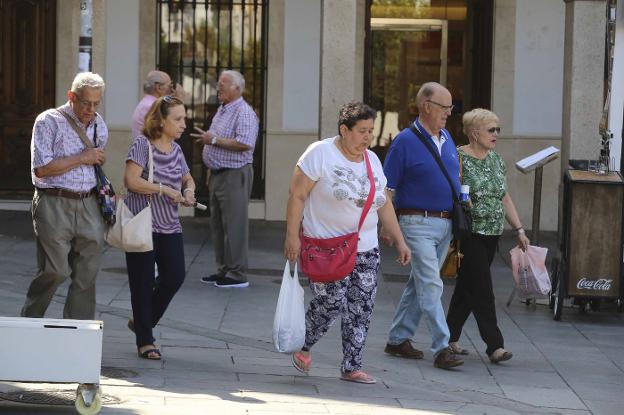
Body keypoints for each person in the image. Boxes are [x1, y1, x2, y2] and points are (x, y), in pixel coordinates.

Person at [284, 101, 411, 384]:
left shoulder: (372, 160)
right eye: (362, 131)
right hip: (326, 246)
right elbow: (297, 195)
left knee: (361, 307)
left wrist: (400, 240)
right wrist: (292, 235)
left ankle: (352, 366)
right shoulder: (320, 154)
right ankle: (303, 343)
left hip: (365, 247)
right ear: (344, 129)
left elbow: (383, 204)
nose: (368, 137)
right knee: (331, 303)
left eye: (371, 131)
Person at [382, 82, 464, 369]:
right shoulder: (405, 141)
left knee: (419, 284)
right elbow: (386, 189)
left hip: (445, 224)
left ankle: (397, 338)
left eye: (451, 108)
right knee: (431, 283)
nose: (449, 113)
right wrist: (389, 228)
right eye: (445, 107)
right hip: (416, 221)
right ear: (427, 106)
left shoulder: (447, 138)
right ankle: (443, 346)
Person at [446, 108, 529, 364]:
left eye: (498, 129)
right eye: (491, 129)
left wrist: (519, 229)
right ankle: (495, 345)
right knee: (482, 287)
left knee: (468, 286)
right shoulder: (458, 156)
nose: (496, 134)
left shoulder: (496, 159)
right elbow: (451, 191)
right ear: (474, 132)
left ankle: (448, 338)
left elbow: (504, 197)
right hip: (470, 231)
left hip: (493, 232)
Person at [22, 72, 108, 320]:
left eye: (96, 103)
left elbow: (96, 161)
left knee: (87, 274)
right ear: (71, 96)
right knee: (55, 270)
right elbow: (42, 168)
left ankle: (78, 334)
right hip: (53, 202)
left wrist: (94, 160)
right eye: (85, 102)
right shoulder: (48, 121)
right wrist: (83, 157)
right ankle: (30, 320)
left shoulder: (99, 124)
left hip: (89, 203)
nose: (91, 109)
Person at [124, 95, 196, 360]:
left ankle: (143, 321)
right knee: (141, 284)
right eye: (177, 119)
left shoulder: (176, 150)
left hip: (169, 225)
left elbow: (188, 178)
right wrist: (164, 189)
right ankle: (145, 340)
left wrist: (188, 191)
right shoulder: (142, 145)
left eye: (184, 118)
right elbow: (131, 181)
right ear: (160, 120)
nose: (183, 124)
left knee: (174, 276)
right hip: (142, 223)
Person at [191, 70, 259, 288]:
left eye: (224, 84)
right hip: (219, 175)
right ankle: (223, 270)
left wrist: (214, 140)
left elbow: (245, 143)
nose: (219, 87)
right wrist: (209, 141)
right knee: (218, 225)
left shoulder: (244, 112)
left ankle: (237, 274)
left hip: (234, 174)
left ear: (237, 89)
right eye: (219, 83)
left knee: (234, 225)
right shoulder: (223, 109)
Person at [132, 70, 184, 139]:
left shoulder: (148, 103)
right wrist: (179, 101)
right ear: (159, 87)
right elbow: (171, 131)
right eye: (170, 86)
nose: (172, 90)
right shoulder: (152, 106)